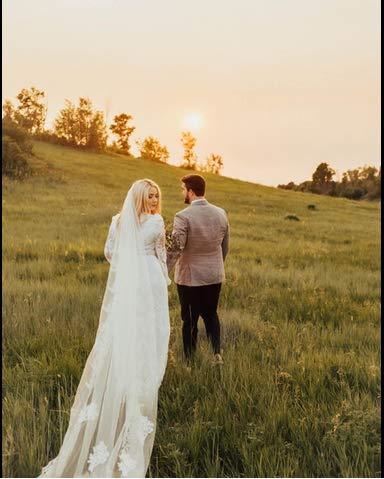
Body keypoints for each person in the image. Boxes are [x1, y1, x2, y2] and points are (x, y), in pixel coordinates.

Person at [39, 179, 171, 478]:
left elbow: (110, 252)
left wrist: (130, 266)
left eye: (156, 196)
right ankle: (140, 376)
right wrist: (161, 278)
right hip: (149, 280)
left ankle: (128, 375)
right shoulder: (157, 221)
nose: (154, 200)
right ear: (140, 196)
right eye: (150, 196)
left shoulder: (119, 220)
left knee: (128, 330)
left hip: (129, 282)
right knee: (148, 329)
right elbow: (161, 256)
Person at [167, 174, 229, 364]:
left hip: (190, 278)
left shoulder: (183, 216)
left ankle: (190, 362)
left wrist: (163, 270)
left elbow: (177, 249)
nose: (182, 192)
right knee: (211, 314)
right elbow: (225, 246)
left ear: (191, 191)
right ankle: (216, 354)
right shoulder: (221, 213)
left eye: (183, 189)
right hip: (214, 275)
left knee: (190, 320)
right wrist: (216, 265)